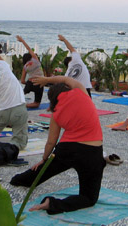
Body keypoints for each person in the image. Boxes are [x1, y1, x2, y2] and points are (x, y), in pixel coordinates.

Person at [10, 76, 105, 215]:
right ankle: (52, 204)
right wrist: (46, 79)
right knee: (88, 198)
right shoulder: (81, 91)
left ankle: (17, 180)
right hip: (93, 152)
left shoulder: (56, 112)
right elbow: (66, 79)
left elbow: (51, 141)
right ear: (67, 88)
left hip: (67, 150)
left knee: (41, 172)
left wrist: (44, 159)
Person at [16, 35, 44, 108]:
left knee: (21, 94)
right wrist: (22, 40)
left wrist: (28, 83)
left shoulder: (25, 67)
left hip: (30, 83)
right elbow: (28, 48)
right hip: (40, 83)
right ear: (31, 57)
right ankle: (25, 105)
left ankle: (15, 101)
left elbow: (22, 81)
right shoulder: (35, 59)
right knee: (36, 104)